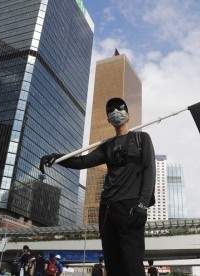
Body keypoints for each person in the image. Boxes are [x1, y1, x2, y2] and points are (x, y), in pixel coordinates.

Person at [40, 98, 156, 276]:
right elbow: (83, 161)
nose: (115, 111)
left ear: (128, 115)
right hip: (107, 209)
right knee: (113, 262)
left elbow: (150, 171)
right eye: (110, 109)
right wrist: (57, 158)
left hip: (130, 208)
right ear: (108, 118)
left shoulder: (141, 139)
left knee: (132, 263)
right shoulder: (107, 146)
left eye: (120, 108)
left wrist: (142, 204)